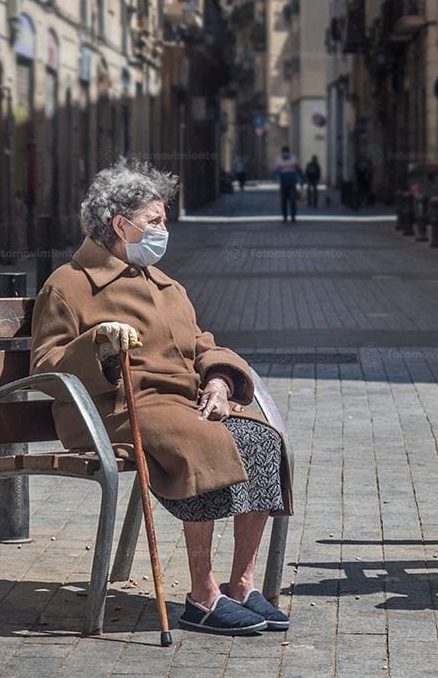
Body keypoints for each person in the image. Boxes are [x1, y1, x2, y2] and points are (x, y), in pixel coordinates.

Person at [31, 158, 292, 636]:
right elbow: (45, 367)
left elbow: (203, 345)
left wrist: (218, 381)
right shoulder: (68, 285)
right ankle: (202, 597)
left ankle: (242, 586)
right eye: (154, 221)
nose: (163, 230)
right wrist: (96, 345)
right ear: (120, 225)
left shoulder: (167, 286)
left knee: (260, 441)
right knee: (204, 443)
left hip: (179, 406)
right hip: (115, 409)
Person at [273, 146, 302, 222]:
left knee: (292, 201)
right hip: (283, 184)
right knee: (284, 201)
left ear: (288, 152)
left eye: (286, 152)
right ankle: (285, 216)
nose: (285, 153)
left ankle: (293, 216)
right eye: (284, 152)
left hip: (292, 184)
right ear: (282, 152)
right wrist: (277, 178)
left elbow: (298, 170)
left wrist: (301, 181)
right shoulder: (279, 160)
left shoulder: (293, 159)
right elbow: (276, 172)